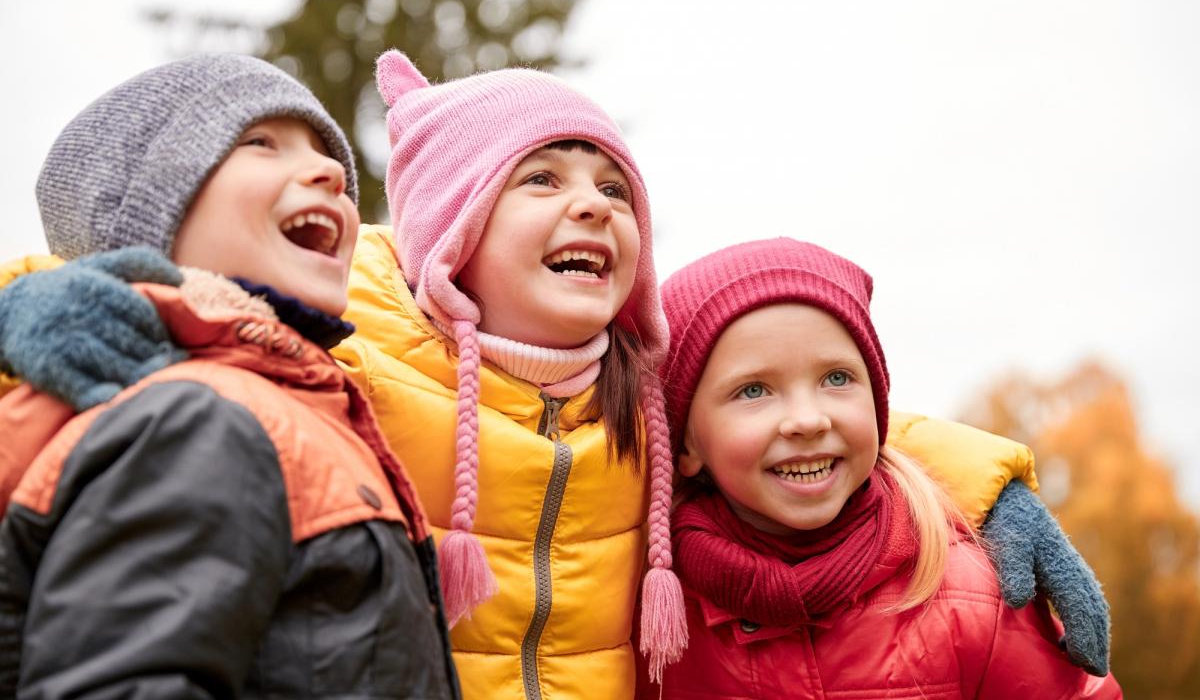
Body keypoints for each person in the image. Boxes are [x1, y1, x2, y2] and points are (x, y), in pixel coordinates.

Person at [0, 52, 1109, 699]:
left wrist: (978, 478)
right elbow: (182, 273)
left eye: (614, 187)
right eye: (542, 177)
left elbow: (797, 394)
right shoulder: (355, 341)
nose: (592, 203)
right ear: (452, 232)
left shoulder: (649, 401)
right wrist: (51, 293)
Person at [0, 54, 459, 698]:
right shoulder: (198, 420)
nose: (330, 170)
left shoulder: (294, 409)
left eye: (326, 152)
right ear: (148, 217)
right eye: (260, 144)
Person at [636, 237, 1121, 698]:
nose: (808, 419)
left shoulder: (970, 591)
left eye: (837, 378)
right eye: (754, 390)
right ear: (686, 441)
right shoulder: (643, 611)